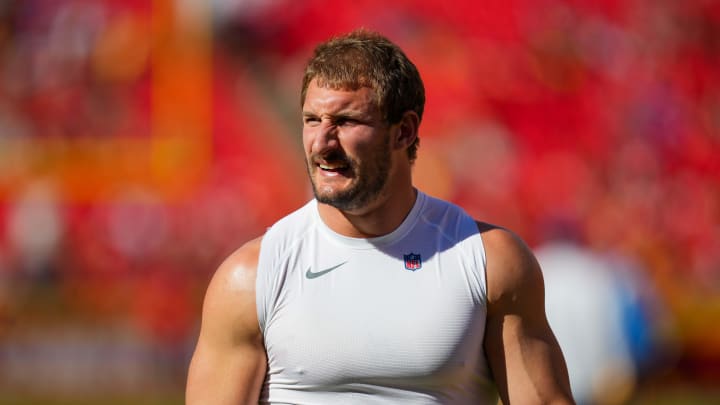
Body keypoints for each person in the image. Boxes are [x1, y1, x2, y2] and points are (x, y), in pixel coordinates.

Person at [186, 29, 574, 404]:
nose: (322, 143)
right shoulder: (250, 277)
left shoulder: (488, 261)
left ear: (403, 132)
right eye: (311, 121)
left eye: (346, 122)